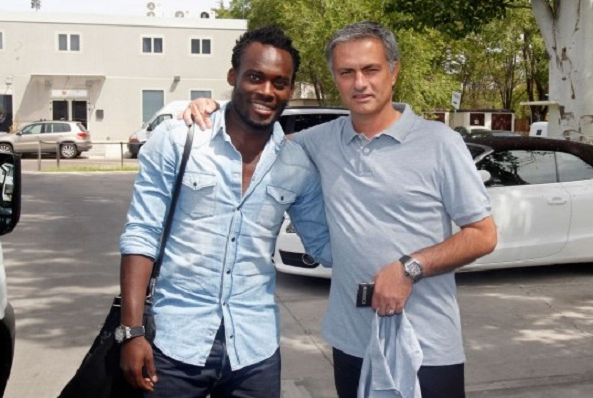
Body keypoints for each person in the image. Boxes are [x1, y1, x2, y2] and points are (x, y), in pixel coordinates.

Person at [185, 21, 497, 398]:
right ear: (335, 78)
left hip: (427, 348)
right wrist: (211, 110)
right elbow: (254, 130)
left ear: (394, 72)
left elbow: (483, 234)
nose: (359, 83)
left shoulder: (439, 143)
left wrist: (409, 268)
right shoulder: (318, 141)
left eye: (371, 69)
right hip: (352, 344)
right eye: (347, 72)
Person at [119, 26, 331, 398]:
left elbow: (325, 245)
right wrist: (132, 332)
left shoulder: (297, 165)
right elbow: (142, 234)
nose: (267, 91)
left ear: (290, 90)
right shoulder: (179, 139)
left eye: (280, 82)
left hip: (254, 351)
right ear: (233, 77)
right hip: (172, 344)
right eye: (255, 77)